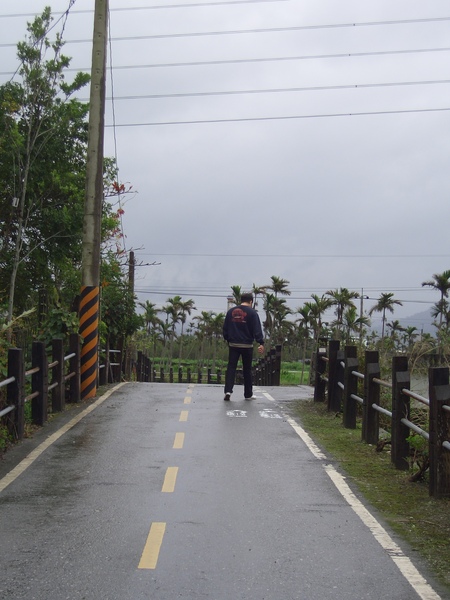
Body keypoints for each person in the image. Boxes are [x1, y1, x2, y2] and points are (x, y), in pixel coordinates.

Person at [222, 292, 264, 401]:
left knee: (231, 367)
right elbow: (257, 329)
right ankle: (248, 394)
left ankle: (228, 391)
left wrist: (228, 339)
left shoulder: (230, 312)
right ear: (251, 301)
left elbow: (225, 328)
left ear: (241, 300)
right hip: (247, 345)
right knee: (247, 369)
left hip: (233, 344)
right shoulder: (253, 313)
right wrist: (261, 343)